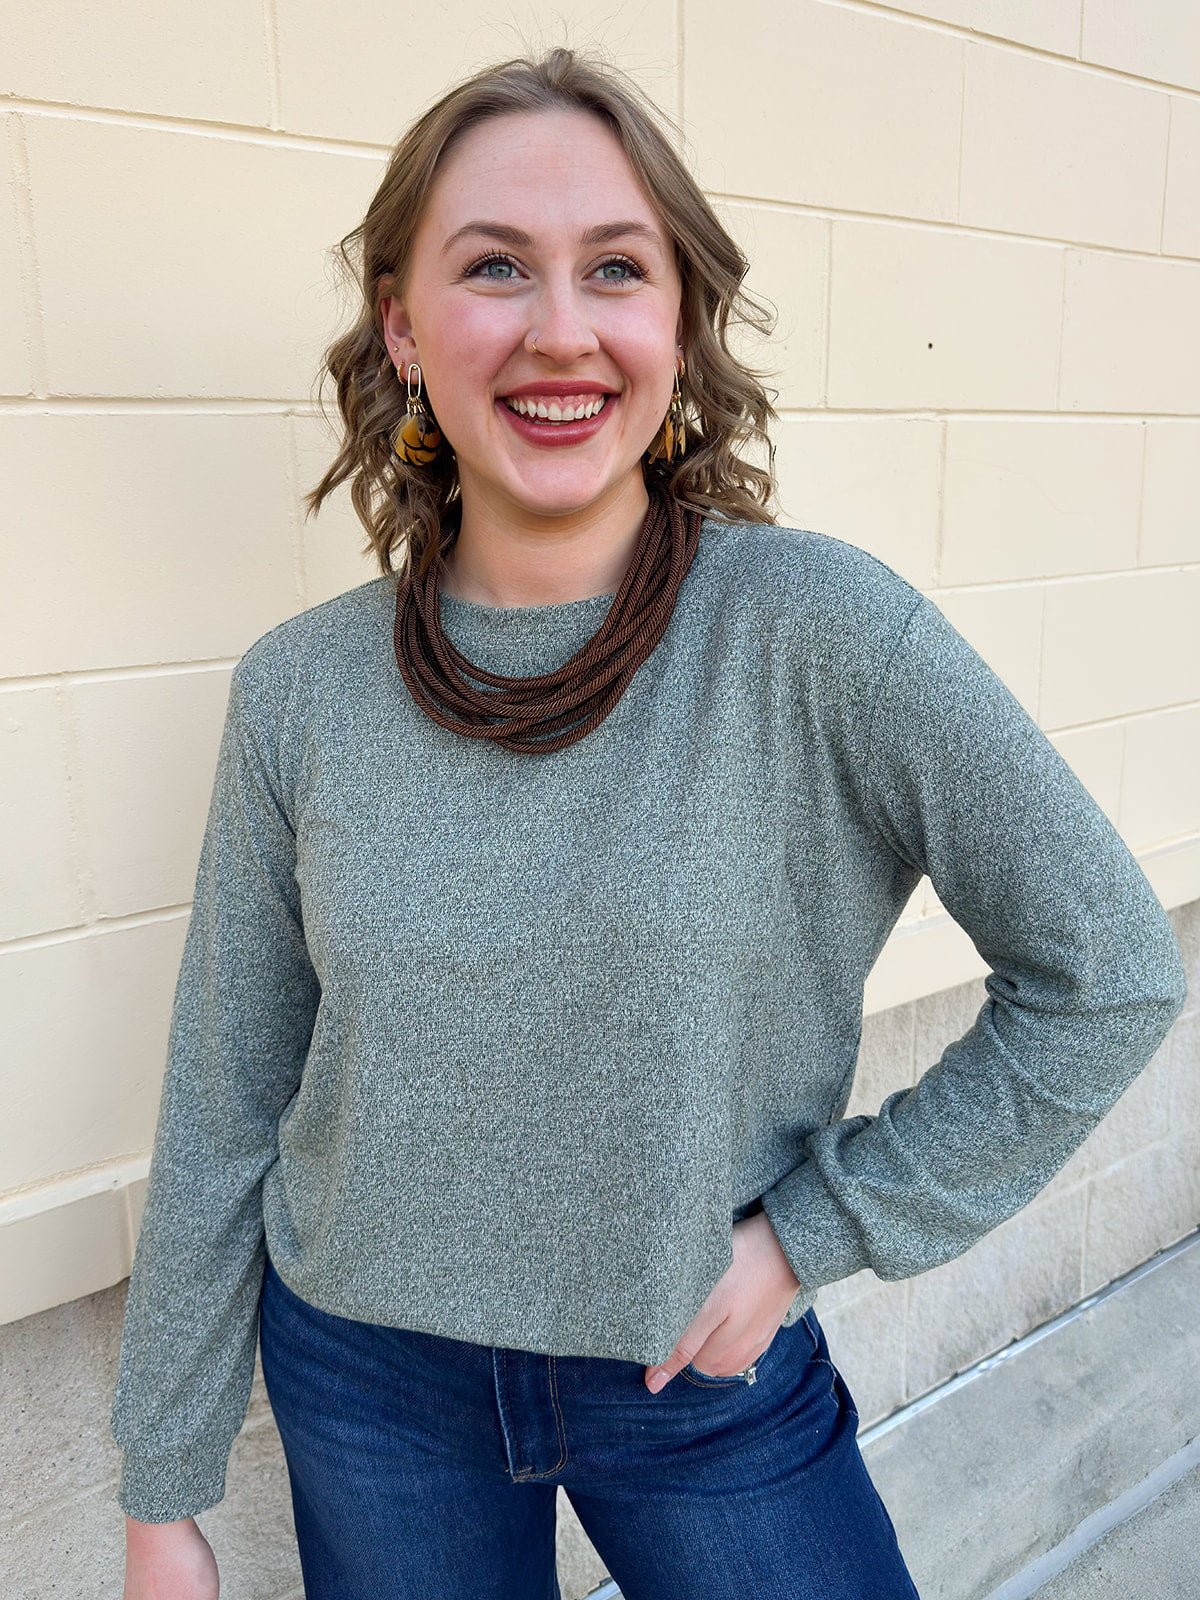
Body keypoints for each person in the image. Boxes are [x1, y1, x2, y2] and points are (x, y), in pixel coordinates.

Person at [111, 44, 1187, 1600]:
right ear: (404, 326)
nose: (561, 328)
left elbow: (1107, 971)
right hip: (369, 1385)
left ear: (679, 320)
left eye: (616, 268)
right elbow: (227, 1095)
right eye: (495, 266)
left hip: (700, 1380)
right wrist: (164, 1492)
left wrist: (820, 1230)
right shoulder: (302, 691)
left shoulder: (818, 635)